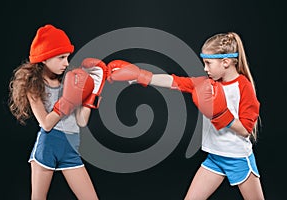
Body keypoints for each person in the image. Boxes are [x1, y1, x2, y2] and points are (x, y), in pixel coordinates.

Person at [106, 32, 265, 199]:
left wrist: (221, 113)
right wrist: (141, 76)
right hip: (215, 157)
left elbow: (246, 130)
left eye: (208, 63)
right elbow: (176, 82)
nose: (205, 69)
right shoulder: (207, 84)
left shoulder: (243, 86)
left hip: (237, 159)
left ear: (225, 62)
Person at [8, 24, 107, 200]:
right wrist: (67, 102)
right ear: (44, 59)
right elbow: (45, 123)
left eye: (67, 57)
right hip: (48, 146)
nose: (66, 63)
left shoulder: (69, 83)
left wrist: (92, 95)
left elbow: (81, 121)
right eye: (61, 57)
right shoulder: (34, 86)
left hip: (70, 147)